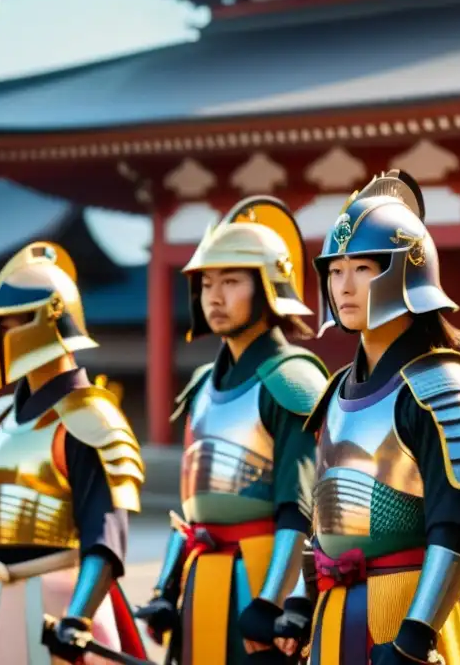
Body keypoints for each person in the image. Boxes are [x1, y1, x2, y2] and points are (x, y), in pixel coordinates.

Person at [281, 170, 460, 665]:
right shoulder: (335, 390)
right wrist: (300, 600)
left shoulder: (443, 386)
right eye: (335, 271)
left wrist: (415, 636)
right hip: (334, 615)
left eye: (362, 268)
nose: (344, 285)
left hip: (408, 617)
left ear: (406, 272)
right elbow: (327, 518)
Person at [134, 196, 328, 664]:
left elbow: (300, 512)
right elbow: (189, 512)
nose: (214, 297)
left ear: (267, 286)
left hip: (262, 582)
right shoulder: (202, 385)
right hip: (203, 580)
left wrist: (271, 603)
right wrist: (166, 586)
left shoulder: (293, 381)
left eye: (231, 281)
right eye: (206, 283)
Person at [0, 241, 147, 665]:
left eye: (10, 323)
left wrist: (78, 618)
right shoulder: (0, 417)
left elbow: (105, 541)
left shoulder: (91, 418)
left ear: (47, 319)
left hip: (62, 610)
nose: (0, 335)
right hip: (5, 607)